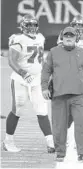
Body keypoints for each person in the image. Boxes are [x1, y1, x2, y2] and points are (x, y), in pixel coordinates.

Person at [41, 26, 83, 162]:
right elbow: (46, 71)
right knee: (59, 125)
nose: (68, 38)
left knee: (81, 123)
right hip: (59, 95)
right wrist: (44, 88)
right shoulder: (53, 52)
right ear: (62, 37)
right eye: (66, 35)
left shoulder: (82, 52)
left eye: (71, 36)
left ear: (75, 38)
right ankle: (60, 152)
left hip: (78, 95)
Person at [2, 14, 55, 153]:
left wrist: (47, 75)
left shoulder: (41, 37)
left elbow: (41, 60)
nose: (31, 27)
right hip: (20, 79)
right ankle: (8, 141)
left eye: (33, 25)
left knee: (41, 109)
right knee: (18, 109)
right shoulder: (18, 39)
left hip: (37, 79)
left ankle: (50, 142)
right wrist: (24, 74)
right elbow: (11, 61)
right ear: (23, 26)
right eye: (28, 25)